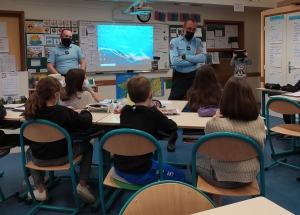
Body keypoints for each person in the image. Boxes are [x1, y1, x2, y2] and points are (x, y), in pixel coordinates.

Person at [194, 77, 265, 206]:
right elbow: (261, 149)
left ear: (225, 99)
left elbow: (208, 145)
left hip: (221, 177)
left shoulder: (216, 124)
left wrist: (217, 115)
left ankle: (210, 204)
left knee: (192, 162)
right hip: (249, 177)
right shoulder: (259, 122)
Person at [24, 76, 95, 203]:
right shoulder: (62, 111)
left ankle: (40, 189)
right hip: (63, 157)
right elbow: (85, 123)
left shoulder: (31, 112)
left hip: (38, 159)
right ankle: (82, 185)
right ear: (56, 95)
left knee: (29, 151)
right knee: (88, 146)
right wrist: (85, 112)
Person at [113, 76, 186, 185]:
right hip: (140, 173)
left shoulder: (125, 111)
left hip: (118, 167)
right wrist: (155, 110)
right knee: (181, 176)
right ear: (151, 95)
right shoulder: (152, 113)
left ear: (130, 97)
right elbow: (172, 126)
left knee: (150, 157)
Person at [169, 18, 206, 100]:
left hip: (195, 76)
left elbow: (202, 58)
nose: (191, 31)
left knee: (198, 101)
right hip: (180, 78)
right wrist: (193, 61)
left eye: (193, 29)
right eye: (189, 29)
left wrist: (184, 57)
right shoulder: (174, 42)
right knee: (173, 100)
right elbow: (174, 61)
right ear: (184, 27)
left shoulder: (198, 42)